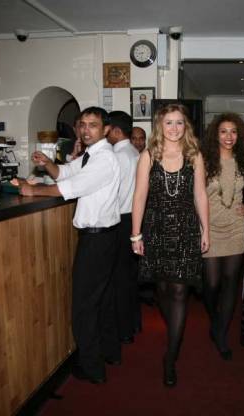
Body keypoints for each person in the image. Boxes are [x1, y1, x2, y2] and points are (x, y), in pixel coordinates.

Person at [19, 107, 121, 384]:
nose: (86, 130)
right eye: (82, 124)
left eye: (93, 125)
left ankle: (92, 368)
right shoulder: (91, 155)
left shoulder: (103, 159)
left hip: (98, 239)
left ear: (106, 129)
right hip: (102, 237)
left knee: (84, 306)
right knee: (102, 300)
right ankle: (110, 352)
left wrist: (33, 190)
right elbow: (64, 173)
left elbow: (70, 189)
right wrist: (47, 163)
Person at [131, 104, 209, 387]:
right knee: (163, 288)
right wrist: (136, 235)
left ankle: (170, 357)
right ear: (159, 126)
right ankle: (172, 331)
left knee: (179, 291)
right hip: (156, 230)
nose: (174, 128)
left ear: (185, 126)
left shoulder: (194, 155)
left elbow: (200, 195)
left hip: (186, 230)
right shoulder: (148, 155)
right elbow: (139, 196)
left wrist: (206, 229)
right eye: (169, 122)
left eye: (179, 123)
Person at [200, 112, 244, 360]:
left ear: (239, 135)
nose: (229, 136)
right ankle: (215, 319)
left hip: (236, 228)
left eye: (233, 132)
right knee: (211, 284)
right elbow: (195, 194)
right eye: (224, 131)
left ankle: (221, 333)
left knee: (230, 283)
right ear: (215, 134)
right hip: (209, 228)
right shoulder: (204, 161)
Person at [107, 111, 141, 345]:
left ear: (116, 131)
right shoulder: (135, 153)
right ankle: (133, 323)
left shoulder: (117, 156)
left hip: (120, 221)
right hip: (134, 220)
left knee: (119, 278)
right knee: (129, 276)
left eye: (107, 129)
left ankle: (123, 329)